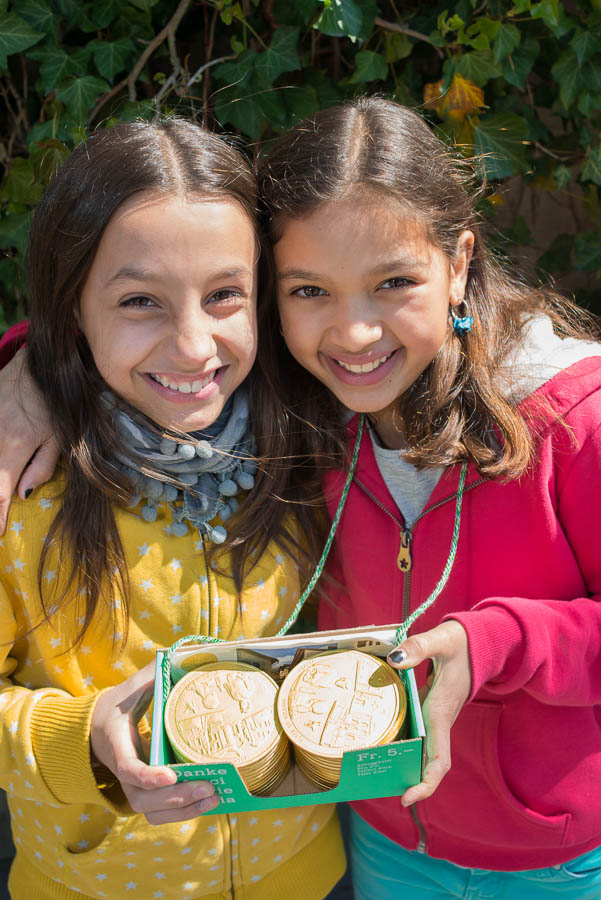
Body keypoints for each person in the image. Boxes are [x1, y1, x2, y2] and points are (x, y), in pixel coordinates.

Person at [255, 97, 601, 898]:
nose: (353, 334)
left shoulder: (574, 420)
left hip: (554, 860)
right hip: (383, 837)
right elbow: (134, 348)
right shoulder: (298, 409)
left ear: (458, 262)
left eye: (393, 283)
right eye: (309, 291)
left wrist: (498, 643)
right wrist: (22, 368)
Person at [0, 119, 345, 900]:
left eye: (224, 295)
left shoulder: (319, 436)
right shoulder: (19, 484)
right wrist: (77, 740)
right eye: (140, 301)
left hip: (308, 873)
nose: (193, 346)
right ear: (72, 306)